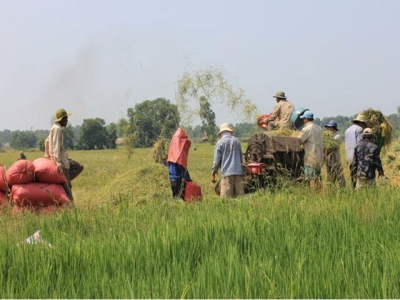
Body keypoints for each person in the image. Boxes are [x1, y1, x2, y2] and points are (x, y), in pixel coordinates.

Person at [45, 108, 84, 204]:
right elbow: (55, 146)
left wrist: (47, 155)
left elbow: (46, 141)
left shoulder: (54, 127)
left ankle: (61, 182)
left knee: (79, 166)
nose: (67, 121)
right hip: (61, 161)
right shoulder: (58, 129)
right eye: (66, 119)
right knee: (67, 187)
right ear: (61, 119)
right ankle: (71, 208)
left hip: (63, 159)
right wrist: (57, 161)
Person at [211, 123, 244, 198]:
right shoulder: (237, 141)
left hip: (227, 173)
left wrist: (213, 172)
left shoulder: (220, 143)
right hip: (238, 173)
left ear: (221, 133)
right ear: (229, 132)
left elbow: (216, 160)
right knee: (240, 199)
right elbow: (241, 157)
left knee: (226, 200)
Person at [299, 111, 324, 192]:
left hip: (311, 156)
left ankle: (313, 195)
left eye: (303, 119)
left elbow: (300, 140)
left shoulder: (307, 129)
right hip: (319, 156)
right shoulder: (318, 128)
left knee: (311, 178)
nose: (303, 120)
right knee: (318, 177)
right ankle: (320, 194)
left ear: (306, 119)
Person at [167, 128, 192, 199]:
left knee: (175, 197)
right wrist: (189, 179)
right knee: (180, 198)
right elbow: (182, 168)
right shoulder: (179, 154)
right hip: (178, 181)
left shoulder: (172, 152)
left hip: (172, 180)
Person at [345, 114, 368, 189]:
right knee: (359, 176)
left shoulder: (347, 130)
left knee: (353, 174)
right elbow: (360, 144)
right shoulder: (359, 129)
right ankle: (358, 191)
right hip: (356, 156)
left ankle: (353, 188)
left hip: (349, 156)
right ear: (361, 123)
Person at [324, 120, 346, 187]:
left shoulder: (337, 137)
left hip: (336, 161)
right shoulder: (326, 137)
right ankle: (330, 191)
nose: (329, 129)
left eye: (331, 127)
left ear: (334, 128)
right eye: (328, 128)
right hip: (329, 162)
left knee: (340, 178)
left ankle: (343, 191)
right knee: (330, 179)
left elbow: (332, 145)